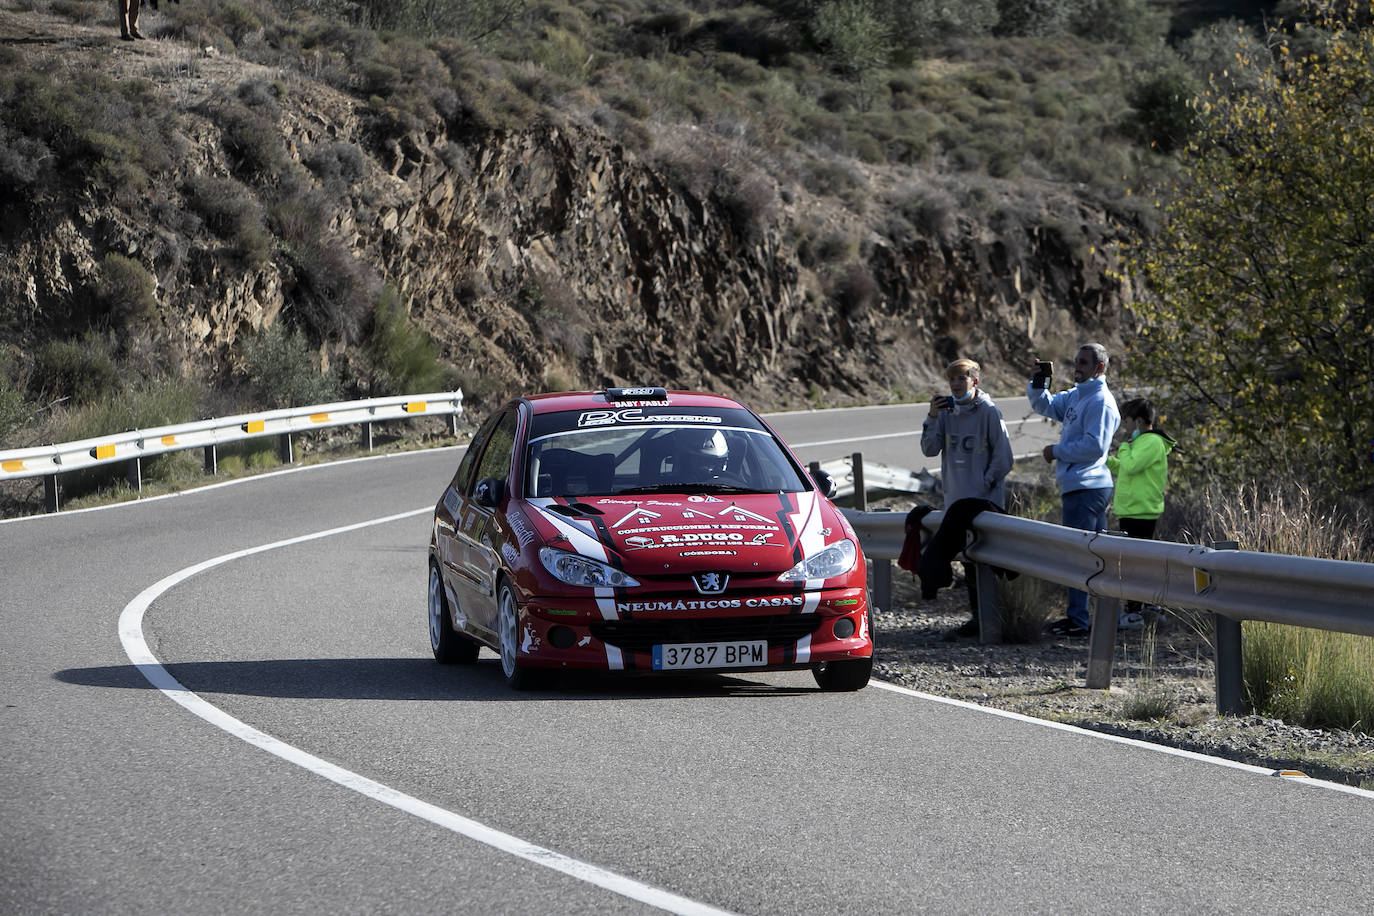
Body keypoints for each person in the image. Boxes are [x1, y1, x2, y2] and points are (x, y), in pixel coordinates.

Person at [1027, 343, 1120, 638]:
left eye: (1083, 363)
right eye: (1076, 361)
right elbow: (1044, 405)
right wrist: (1041, 381)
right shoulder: (1078, 396)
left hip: (1089, 487)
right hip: (1079, 487)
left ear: (1099, 368)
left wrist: (1057, 450)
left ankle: (1080, 620)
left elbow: (1095, 447)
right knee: (1093, 556)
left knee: (1080, 556)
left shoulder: (1100, 402)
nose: (1076, 367)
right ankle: (1099, 619)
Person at [920, 358, 1014, 635]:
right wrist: (932, 417)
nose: (957, 385)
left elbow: (1004, 457)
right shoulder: (946, 411)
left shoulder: (988, 411)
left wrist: (984, 484)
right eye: (952, 380)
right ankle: (978, 619)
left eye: (962, 379)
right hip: (955, 501)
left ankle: (994, 618)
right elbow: (929, 450)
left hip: (983, 502)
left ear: (975, 381)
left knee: (988, 562)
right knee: (968, 560)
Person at [1107, 397, 1177, 624]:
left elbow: (1131, 464)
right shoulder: (1142, 443)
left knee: (1135, 564)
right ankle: (1144, 606)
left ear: (1138, 421)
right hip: (1131, 510)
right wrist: (1106, 461)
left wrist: (1124, 447)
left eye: (1126, 421)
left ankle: (1138, 611)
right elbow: (1126, 469)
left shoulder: (1151, 442)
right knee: (1134, 563)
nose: (1124, 426)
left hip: (1141, 511)